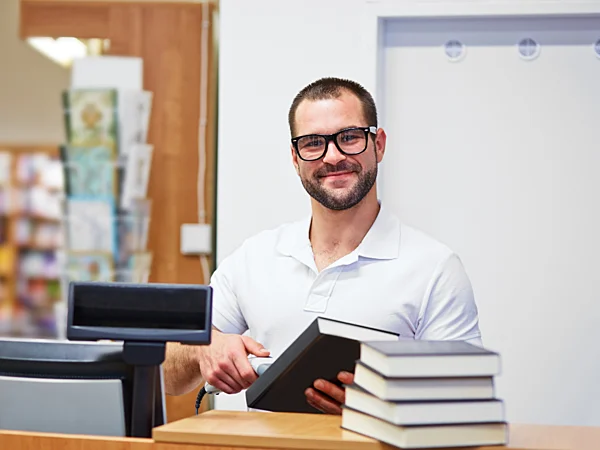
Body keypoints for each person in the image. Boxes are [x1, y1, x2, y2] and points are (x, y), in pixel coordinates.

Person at [164, 77, 482, 414]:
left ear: (379, 145)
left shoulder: (434, 268)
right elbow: (169, 376)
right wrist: (204, 349)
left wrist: (382, 408)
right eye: (313, 142)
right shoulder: (254, 257)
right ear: (295, 156)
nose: (333, 156)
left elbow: (466, 402)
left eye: (349, 137)